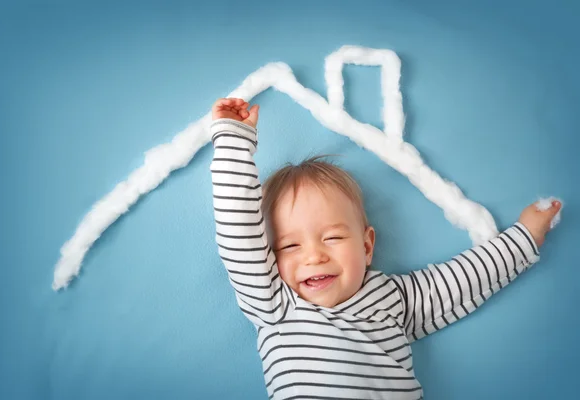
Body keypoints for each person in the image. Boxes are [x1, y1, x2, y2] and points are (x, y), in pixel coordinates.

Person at [209, 97, 561, 399]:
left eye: (332, 237)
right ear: (269, 257)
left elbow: (461, 280)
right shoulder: (275, 303)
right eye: (290, 245)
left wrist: (524, 237)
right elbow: (237, 226)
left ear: (367, 246)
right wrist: (233, 141)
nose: (314, 255)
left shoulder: (393, 297)